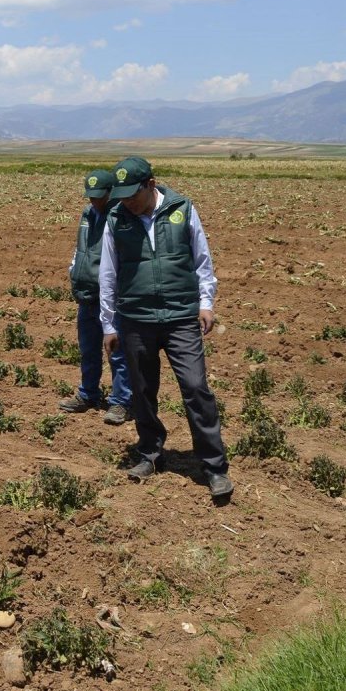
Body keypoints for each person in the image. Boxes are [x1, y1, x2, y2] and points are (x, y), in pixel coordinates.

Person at [100, 156, 232, 498]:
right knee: (142, 392)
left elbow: (202, 259)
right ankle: (149, 453)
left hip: (180, 316)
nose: (127, 200)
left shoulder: (183, 209)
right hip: (136, 319)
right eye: (122, 194)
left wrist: (206, 303)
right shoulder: (116, 218)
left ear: (151, 184)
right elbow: (108, 274)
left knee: (195, 387)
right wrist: (109, 324)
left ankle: (214, 467)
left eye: (133, 193)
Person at [58, 169, 132, 425]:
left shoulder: (120, 216)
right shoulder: (88, 215)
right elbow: (82, 248)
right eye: (90, 196)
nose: (94, 201)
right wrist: (74, 269)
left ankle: (121, 401)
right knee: (88, 348)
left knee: (116, 350)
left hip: (111, 297)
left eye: (99, 196)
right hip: (86, 293)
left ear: (111, 192)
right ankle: (88, 393)